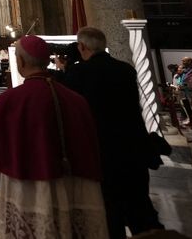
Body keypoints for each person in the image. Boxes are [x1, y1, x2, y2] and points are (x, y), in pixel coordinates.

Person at [0, 35, 108, 238]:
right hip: (76, 184)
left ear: (20, 62)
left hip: (29, 185)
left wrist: (11, 162)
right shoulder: (76, 99)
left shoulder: (11, 100)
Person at [62, 27, 163, 238]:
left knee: (110, 213)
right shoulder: (126, 69)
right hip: (133, 149)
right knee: (140, 208)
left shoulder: (78, 73)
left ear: (82, 46)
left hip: (102, 152)